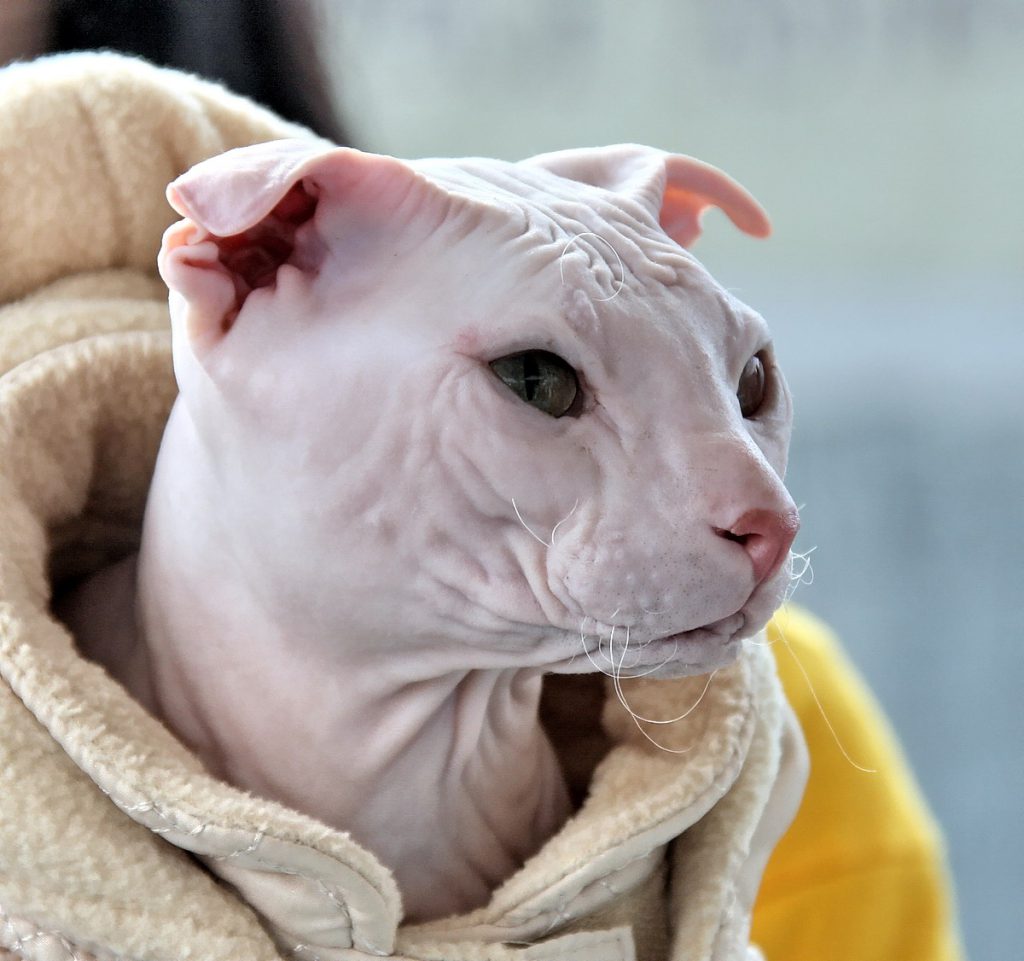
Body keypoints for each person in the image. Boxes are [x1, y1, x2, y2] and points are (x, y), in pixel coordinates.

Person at [0, 8, 962, 958]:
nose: (768, 514)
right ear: (251, 268)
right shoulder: (315, 263)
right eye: (538, 380)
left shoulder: (785, 772)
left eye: (746, 383)